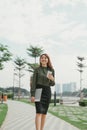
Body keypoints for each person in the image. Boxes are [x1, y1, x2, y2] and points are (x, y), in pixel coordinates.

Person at [31, 53, 55, 130]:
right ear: (40, 60)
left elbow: (52, 84)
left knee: (44, 113)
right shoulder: (37, 70)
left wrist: (52, 79)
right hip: (38, 91)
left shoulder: (51, 70)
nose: (44, 59)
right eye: (42, 58)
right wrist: (32, 95)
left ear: (48, 60)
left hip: (47, 91)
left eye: (45, 58)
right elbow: (33, 83)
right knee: (38, 112)